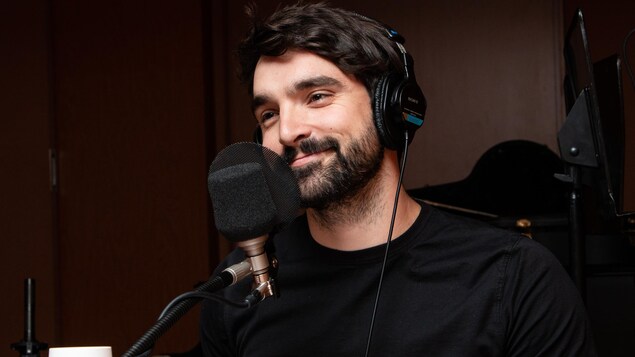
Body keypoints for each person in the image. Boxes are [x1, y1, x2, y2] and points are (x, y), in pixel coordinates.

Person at [200, 3, 596, 356]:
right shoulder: (238, 287)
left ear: (390, 109)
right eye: (268, 113)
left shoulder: (517, 279)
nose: (286, 131)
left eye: (317, 96)